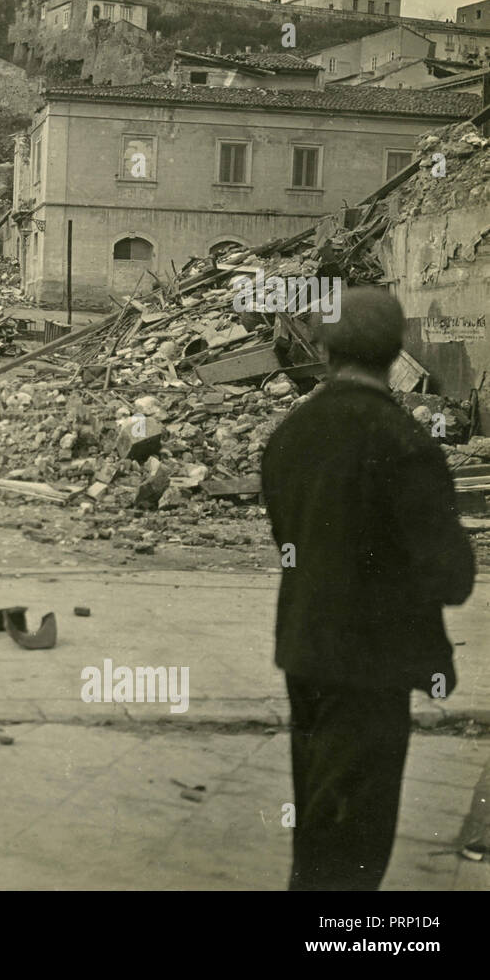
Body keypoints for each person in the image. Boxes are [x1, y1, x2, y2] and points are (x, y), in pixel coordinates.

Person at [260, 286, 475, 891]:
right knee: (356, 835)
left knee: (319, 814)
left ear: (324, 349)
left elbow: (289, 540)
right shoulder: (406, 443)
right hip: (374, 662)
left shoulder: (290, 436)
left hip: (306, 649)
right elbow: (451, 577)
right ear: (395, 348)